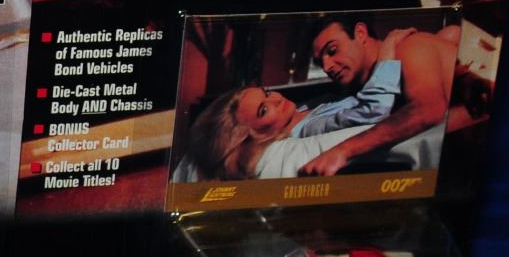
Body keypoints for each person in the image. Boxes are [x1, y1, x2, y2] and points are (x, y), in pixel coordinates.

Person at [183, 44, 407, 181]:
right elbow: (375, 111)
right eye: (264, 110)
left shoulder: (296, 110)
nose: (276, 99)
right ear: (252, 136)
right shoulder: (306, 129)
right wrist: (389, 49)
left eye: (267, 93)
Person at [300, 19, 457, 176]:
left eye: (332, 50)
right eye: (320, 63)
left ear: (360, 33)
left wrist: (342, 151)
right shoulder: (357, 89)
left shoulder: (408, 47)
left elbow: (428, 110)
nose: (327, 67)